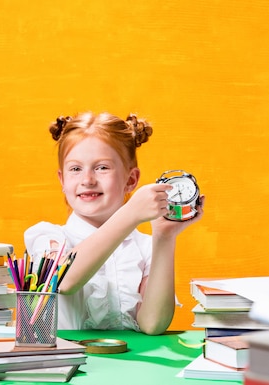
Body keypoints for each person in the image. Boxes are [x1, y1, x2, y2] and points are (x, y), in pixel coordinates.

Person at [24, 112, 204, 335]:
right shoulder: (45, 235)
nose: (88, 180)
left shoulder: (146, 247)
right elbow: (65, 281)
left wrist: (164, 237)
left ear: (131, 180)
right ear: (62, 180)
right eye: (75, 169)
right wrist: (130, 213)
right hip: (68, 365)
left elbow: (152, 324)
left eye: (102, 168)